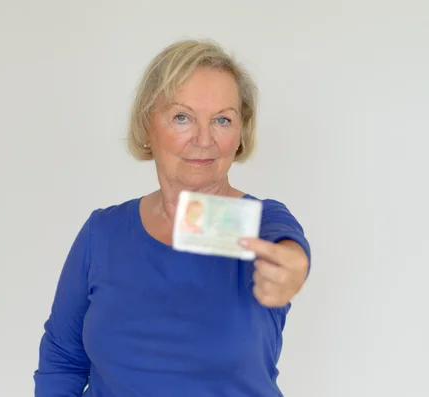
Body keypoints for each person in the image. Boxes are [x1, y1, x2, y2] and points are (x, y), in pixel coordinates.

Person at [33, 39, 311, 397]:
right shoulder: (102, 233)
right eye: (182, 117)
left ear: (241, 131)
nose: (203, 139)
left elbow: (286, 247)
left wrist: (291, 266)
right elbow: (62, 357)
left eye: (222, 120)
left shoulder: (259, 223)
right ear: (148, 124)